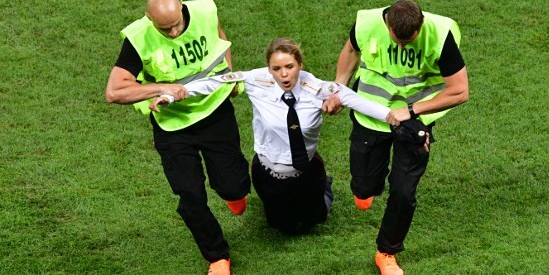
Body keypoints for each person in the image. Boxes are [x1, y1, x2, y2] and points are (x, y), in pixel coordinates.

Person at [152, 38, 411, 234]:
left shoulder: (319, 88)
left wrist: (393, 115)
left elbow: (355, 100)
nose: (283, 74)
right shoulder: (256, 80)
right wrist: (173, 94)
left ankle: (325, 188)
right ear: (269, 68)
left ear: (300, 64)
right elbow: (215, 81)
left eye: (289, 66)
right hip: (267, 173)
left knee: (315, 220)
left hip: (307, 171)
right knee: (281, 227)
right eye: (276, 68)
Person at [105, 0, 250, 275]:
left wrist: (230, 77)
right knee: (190, 195)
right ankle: (217, 256)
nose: (173, 32)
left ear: (182, 7)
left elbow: (221, 40)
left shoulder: (205, 12)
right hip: (173, 128)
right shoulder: (138, 38)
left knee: (233, 185)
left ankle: (233, 195)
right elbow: (114, 92)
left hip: (216, 112)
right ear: (149, 19)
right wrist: (160, 88)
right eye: (164, 29)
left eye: (176, 24)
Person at [323, 0, 469, 275]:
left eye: (409, 41)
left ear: (421, 25)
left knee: (404, 191)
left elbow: (460, 91)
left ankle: (386, 252)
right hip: (371, 114)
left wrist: (412, 111)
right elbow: (351, 50)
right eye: (396, 40)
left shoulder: (440, 35)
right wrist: (338, 89)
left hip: (414, 120)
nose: (402, 47)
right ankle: (366, 190)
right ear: (387, 23)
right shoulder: (367, 23)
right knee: (365, 186)